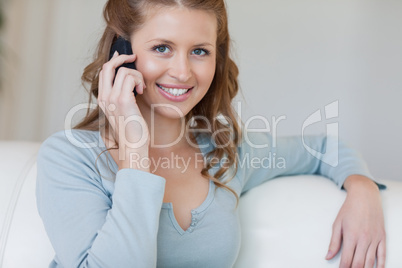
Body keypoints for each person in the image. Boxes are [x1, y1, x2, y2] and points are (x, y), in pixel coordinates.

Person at [36, 0, 387, 267]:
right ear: (123, 54)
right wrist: (135, 153)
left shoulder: (224, 152)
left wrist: (363, 189)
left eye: (199, 51)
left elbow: (323, 147)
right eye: (162, 48)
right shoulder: (69, 156)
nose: (183, 71)